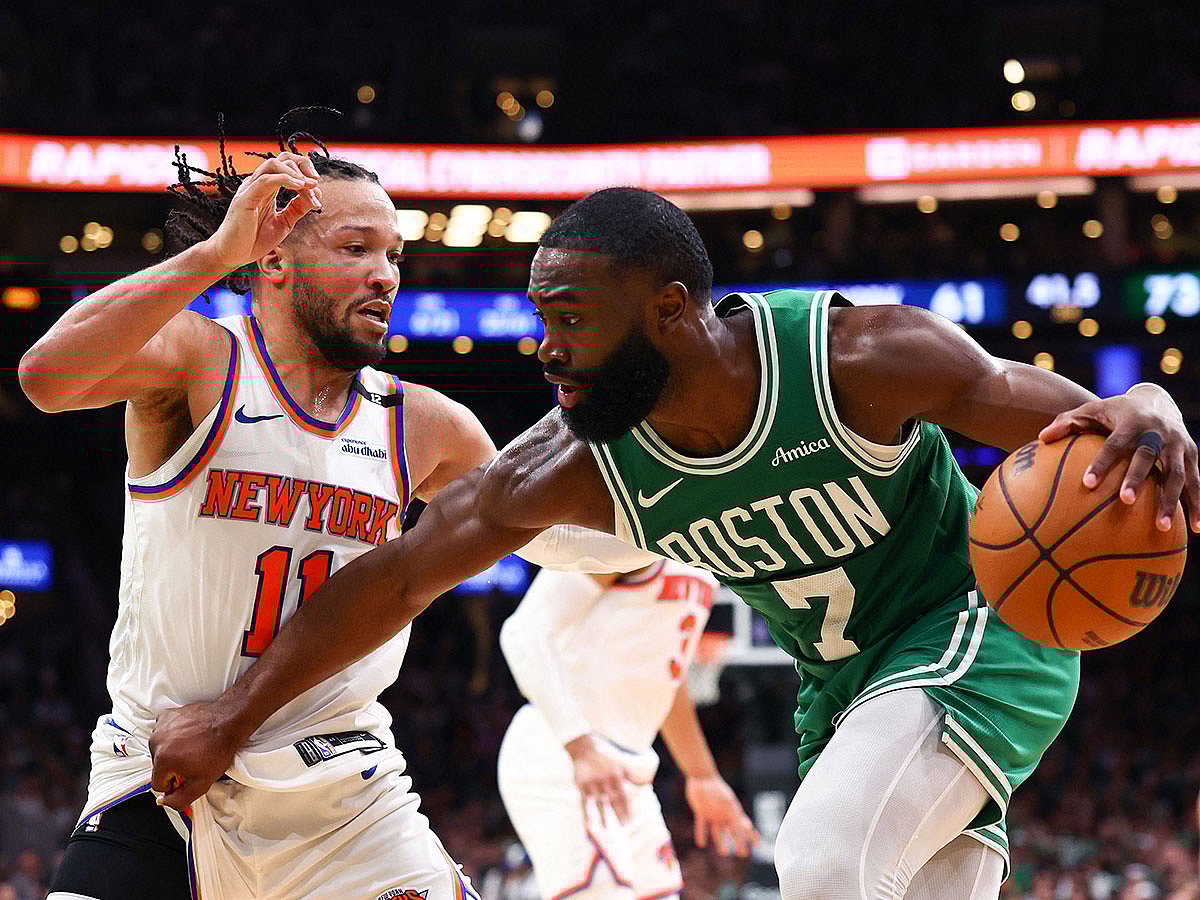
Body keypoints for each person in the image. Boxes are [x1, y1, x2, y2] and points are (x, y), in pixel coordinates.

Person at [148, 187, 1200, 900]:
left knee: (826, 859)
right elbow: (397, 578)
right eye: (539, 319)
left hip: (971, 628)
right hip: (841, 686)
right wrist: (236, 713)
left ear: (670, 310)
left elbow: (1093, 423)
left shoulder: (854, 359)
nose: (547, 351)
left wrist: (1152, 398)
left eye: (572, 320)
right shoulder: (570, 464)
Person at [18, 118, 495, 900]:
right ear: (272, 255)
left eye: (394, 255)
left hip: (344, 796)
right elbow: (46, 378)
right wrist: (211, 257)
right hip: (165, 779)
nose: (385, 275)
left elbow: (556, 535)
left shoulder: (426, 426)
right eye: (355, 248)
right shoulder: (201, 364)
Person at [497, 562, 757, 899]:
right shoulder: (625, 534)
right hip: (564, 755)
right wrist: (580, 749)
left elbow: (666, 678)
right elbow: (522, 633)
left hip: (627, 769)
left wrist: (702, 775)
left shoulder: (699, 555)